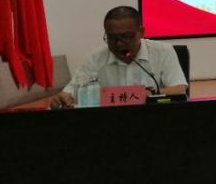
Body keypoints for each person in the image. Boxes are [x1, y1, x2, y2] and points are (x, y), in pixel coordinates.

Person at [49, 6, 188, 108]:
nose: (119, 43)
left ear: (141, 32)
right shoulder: (95, 59)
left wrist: (149, 93)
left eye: (126, 36)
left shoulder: (162, 52)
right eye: (112, 38)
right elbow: (70, 92)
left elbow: (179, 89)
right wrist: (61, 99)